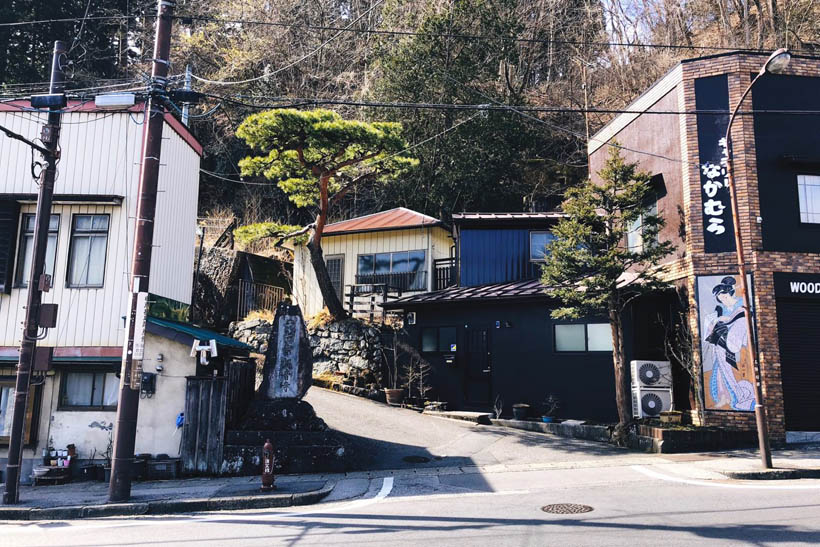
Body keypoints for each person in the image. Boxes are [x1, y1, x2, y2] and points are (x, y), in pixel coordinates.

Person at [702, 276, 755, 411]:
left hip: (736, 342)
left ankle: (739, 395)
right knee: (718, 366)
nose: (724, 300)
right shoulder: (722, 310)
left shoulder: (742, 305)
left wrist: (727, 321)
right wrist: (718, 320)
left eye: (725, 296)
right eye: (721, 299)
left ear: (730, 293)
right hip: (723, 345)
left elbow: (743, 323)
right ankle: (725, 396)